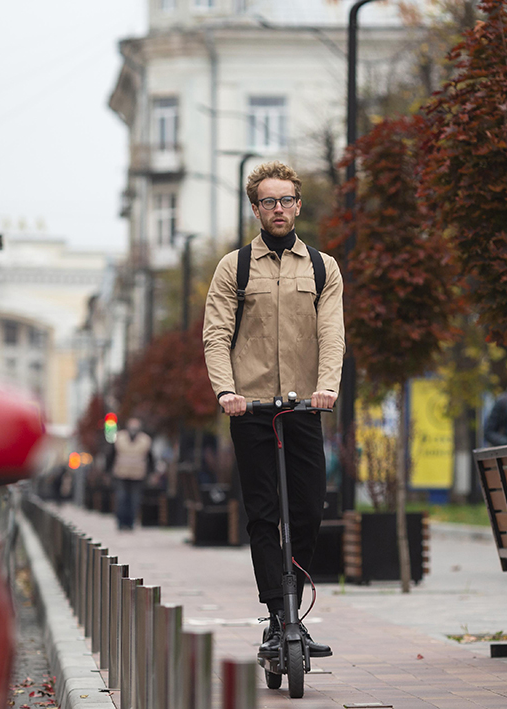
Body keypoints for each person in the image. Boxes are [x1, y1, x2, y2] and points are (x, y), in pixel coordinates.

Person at [202, 161, 344, 660]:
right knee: (263, 515)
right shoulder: (233, 267)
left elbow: (332, 336)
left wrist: (327, 388)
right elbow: (216, 334)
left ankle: (293, 607)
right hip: (252, 409)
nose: (278, 209)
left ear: (298, 205)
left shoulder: (323, 268)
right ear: (256, 208)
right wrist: (226, 392)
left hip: (305, 408)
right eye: (268, 201)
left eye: (286, 200)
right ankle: (279, 618)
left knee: (308, 509)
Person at [107, 417, 153, 530]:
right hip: (121, 473)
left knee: (134, 500)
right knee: (121, 498)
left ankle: (131, 522)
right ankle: (121, 522)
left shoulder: (145, 440)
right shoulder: (119, 437)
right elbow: (111, 455)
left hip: (138, 475)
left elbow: (150, 458)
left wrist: (151, 473)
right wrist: (108, 471)